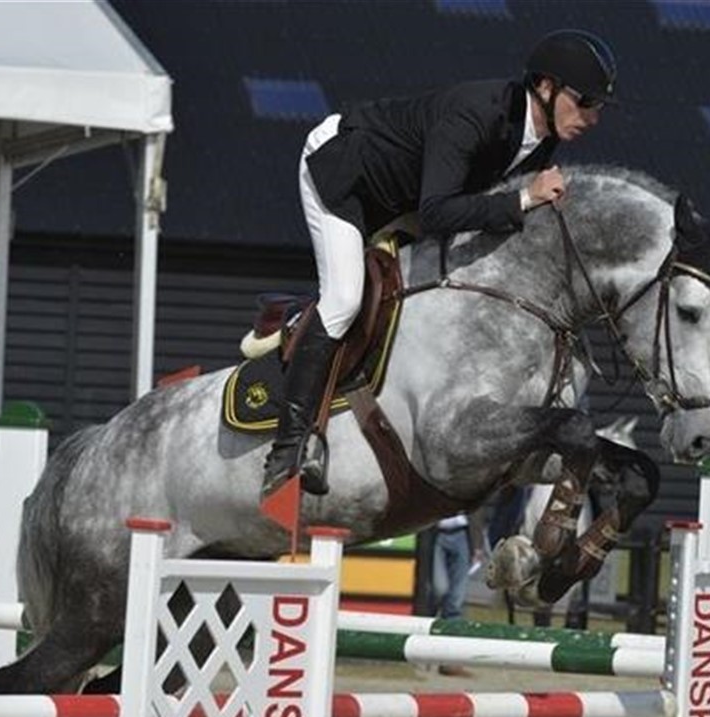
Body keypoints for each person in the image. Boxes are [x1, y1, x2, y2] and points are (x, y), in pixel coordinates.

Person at [262, 29, 619, 497]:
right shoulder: (476, 114)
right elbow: (437, 213)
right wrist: (523, 200)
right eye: (585, 101)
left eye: (599, 106)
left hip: (405, 195)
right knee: (345, 299)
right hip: (347, 177)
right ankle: (287, 450)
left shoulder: (542, 136)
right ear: (546, 87)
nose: (592, 117)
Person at [432, 511, 486, 677]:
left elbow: (477, 510)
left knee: (456, 600)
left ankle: (451, 659)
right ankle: (429, 649)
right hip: (436, 533)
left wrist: (478, 544)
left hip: (462, 534)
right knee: (440, 589)